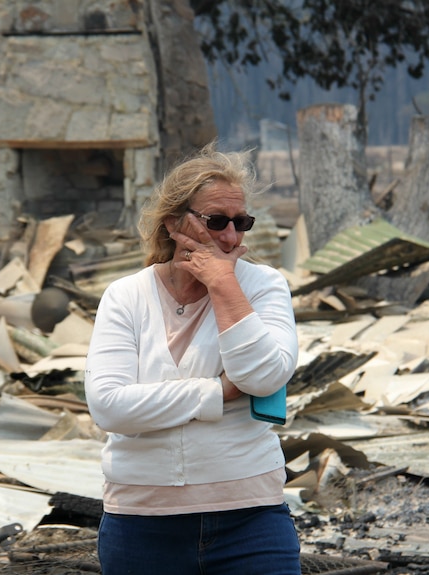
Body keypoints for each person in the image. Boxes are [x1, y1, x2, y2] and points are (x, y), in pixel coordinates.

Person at [84, 143, 302, 575]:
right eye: (216, 221)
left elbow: (263, 377)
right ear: (173, 223)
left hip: (250, 517)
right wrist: (217, 393)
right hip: (140, 523)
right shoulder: (126, 296)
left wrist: (225, 286)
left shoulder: (262, 286)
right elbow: (108, 405)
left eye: (241, 223)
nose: (231, 237)